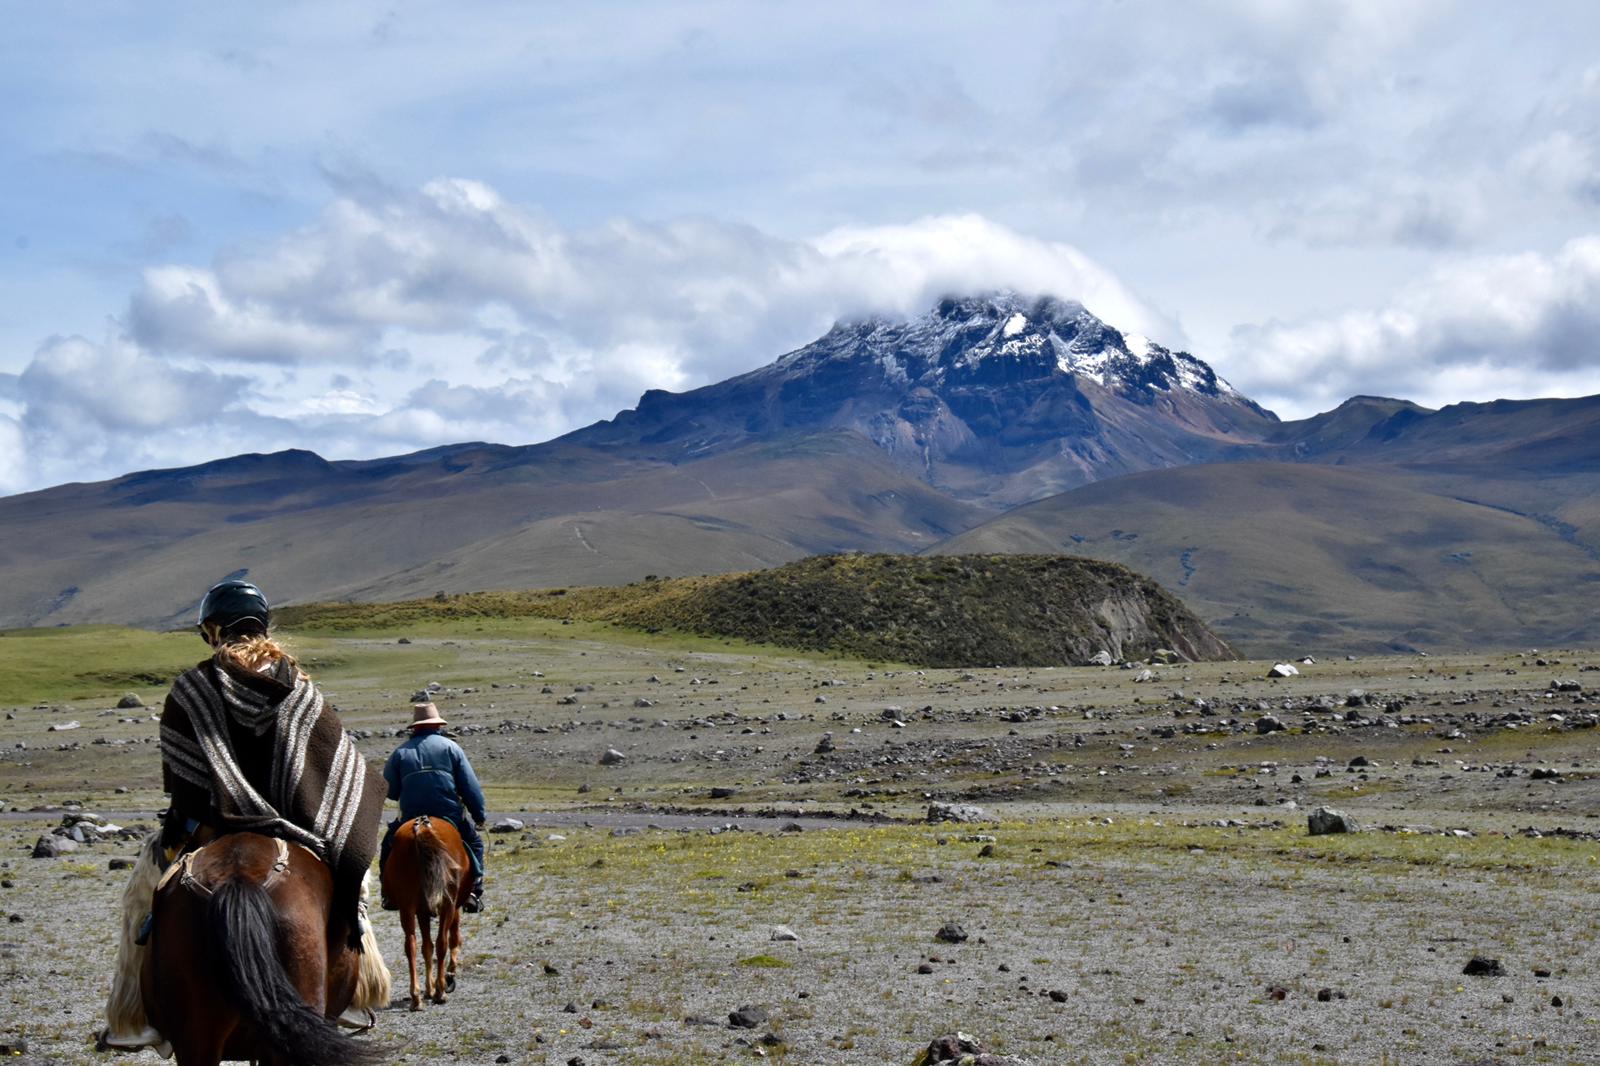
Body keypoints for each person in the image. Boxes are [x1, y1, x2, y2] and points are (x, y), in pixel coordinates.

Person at [100, 579, 390, 1052]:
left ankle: (133, 1017)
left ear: (213, 630)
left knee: (141, 894)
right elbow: (333, 768)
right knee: (351, 884)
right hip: (296, 828)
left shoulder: (191, 689)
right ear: (263, 624)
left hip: (212, 827)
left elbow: (185, 783)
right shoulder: (299, 691)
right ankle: (359, 994)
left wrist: (199, 814)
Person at [380, 702, 488, 913]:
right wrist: (479, 814)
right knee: (475, 843)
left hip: (410, 817)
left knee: (388, 845)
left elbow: (390, 791)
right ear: (437, 726)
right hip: (449, 815)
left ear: (415, 727)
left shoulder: (400, 753)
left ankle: (388, 894)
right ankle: (474, 891)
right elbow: (469, 786)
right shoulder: (451, 748)